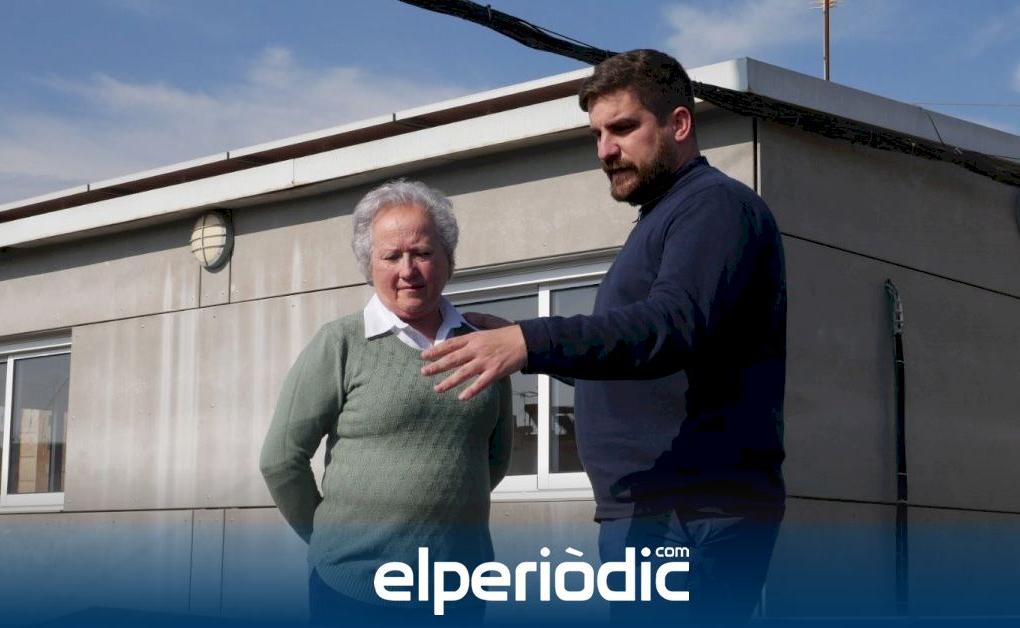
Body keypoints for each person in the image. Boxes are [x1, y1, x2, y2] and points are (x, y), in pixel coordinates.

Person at [421, 49, 786, 623]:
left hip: (692, 512)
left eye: (622, 128)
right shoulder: (665, 217)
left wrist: (530, 340)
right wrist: (523, 346)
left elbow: (670, 326)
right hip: (655, 510)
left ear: (679, 124)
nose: (604, 150)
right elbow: (637, 362)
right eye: (596, 134)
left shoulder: (714, 207)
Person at [259, 179, 512, 625]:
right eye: (391, 256)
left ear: (449, 260)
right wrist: (329, 539)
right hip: (352, 591)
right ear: (369, 266)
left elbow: (494, 458)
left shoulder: (485, 346)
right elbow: (281, 459)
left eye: (422, 252)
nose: (408, 270)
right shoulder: (341, 343)